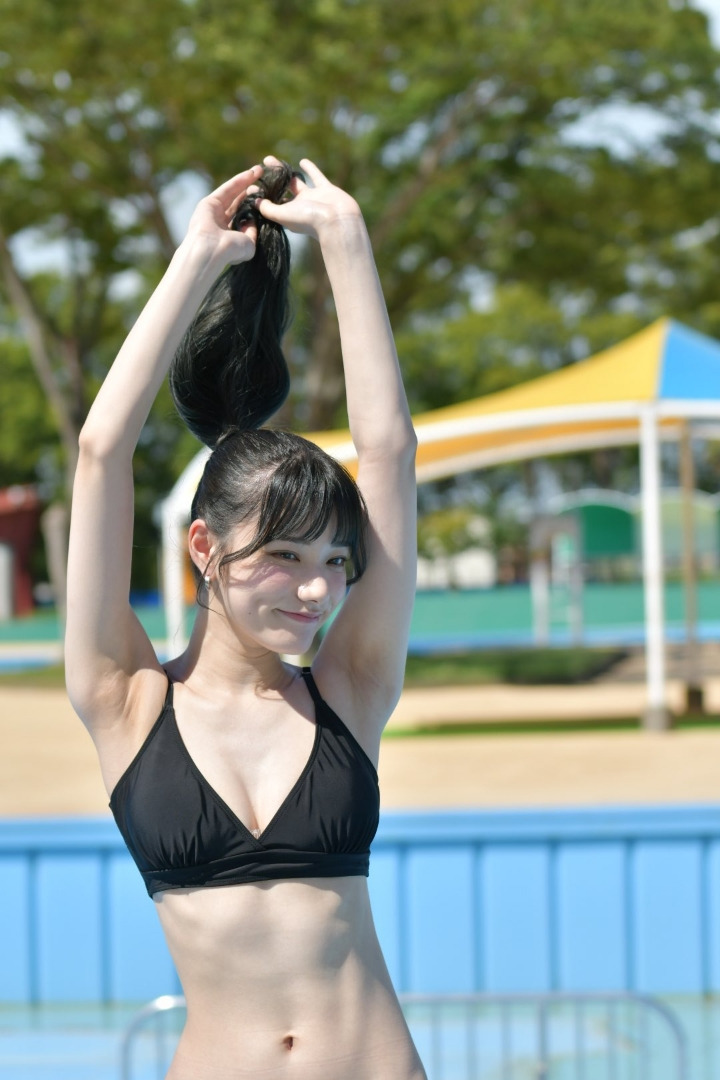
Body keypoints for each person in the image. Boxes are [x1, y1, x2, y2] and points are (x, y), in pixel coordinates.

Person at [65, 155, 425, 1080]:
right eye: (284, 560)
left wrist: (346, 243)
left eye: (336, 563)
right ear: (203, 551)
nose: (318, 592)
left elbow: (387, 451)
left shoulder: (349, 689)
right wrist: (196, 260)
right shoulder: (127, 700)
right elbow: (103, 450)